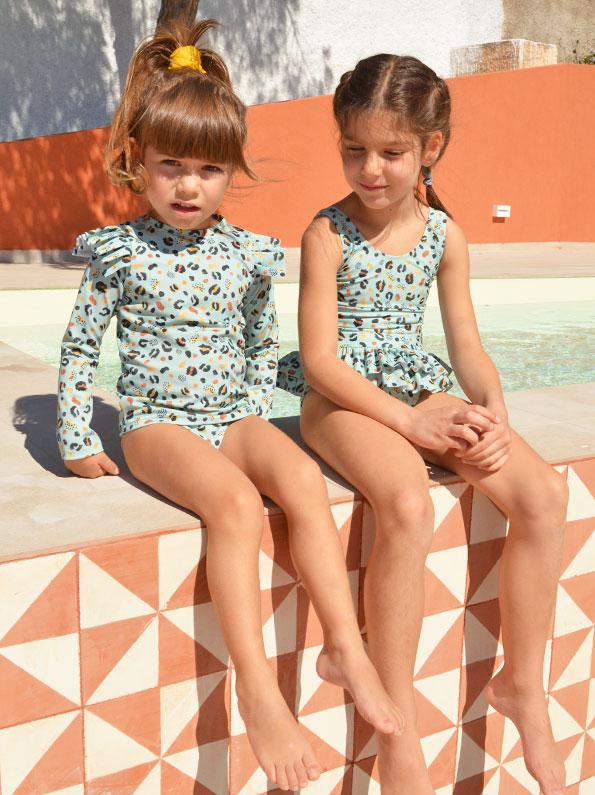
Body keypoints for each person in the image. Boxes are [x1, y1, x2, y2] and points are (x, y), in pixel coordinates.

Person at [57, 24, 405, 792]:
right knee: (237, 506)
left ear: (231, 170)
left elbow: (258, 341)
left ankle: (344, 645)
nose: (189, 186)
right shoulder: (120, 252)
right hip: (157, 421)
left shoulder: (248, 254)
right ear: (138, 160)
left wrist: (259, 410)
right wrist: (78, 436)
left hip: (230, 414)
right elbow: (80, 349)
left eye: (208, 169)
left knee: (303, 481)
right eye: (171, 165)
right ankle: (256, 688)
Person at [277, 54, 568, 795]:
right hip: (341, 400)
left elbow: (465, 346)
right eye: (354, 149)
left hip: (416, 388)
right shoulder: (326, 233)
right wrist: (411, 425)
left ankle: (523, 686)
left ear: (430, 146)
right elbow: (320, 361)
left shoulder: (444, 235)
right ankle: (397, 727)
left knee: (542, 494)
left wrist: (490, 408)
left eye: (391, 151)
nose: (369, 169)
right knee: (406, 500)